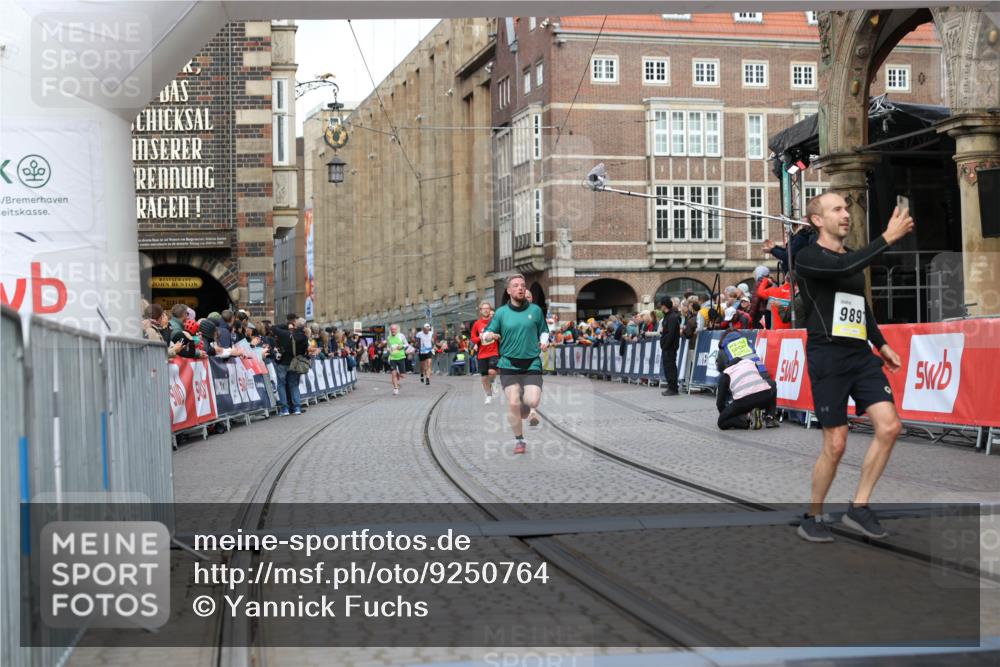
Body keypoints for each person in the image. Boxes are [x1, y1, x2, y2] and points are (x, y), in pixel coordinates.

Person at [794, 192, 913, 543]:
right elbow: (842, 269)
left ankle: (858, 506)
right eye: (837, 210)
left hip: (860, 355)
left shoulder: (851, 258)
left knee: (890, 427)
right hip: (827, 356)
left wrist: (882, 344)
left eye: (847, 209)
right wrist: (887, 238)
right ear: (818, 220)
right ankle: (812, 515)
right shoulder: (807, 258)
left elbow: (859, 306)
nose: (846, 214)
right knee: (836, 443)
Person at [481, 274, 548, 455]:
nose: (520, 288)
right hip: (509, 363)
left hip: (532, 362)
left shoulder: (535, 311)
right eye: (516, 285)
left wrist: (544, 341)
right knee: (513, 403)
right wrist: (490, 336)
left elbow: (544, 331)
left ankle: (526, 405)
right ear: (509, 290)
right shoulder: (501, 313)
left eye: (523, 285)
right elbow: (485, 335)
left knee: (532, 401)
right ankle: (520, 440)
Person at [715, 330, 778, 430]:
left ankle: (746, 420)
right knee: (772, 384)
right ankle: (770, 417)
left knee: (722, 420)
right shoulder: (747, 344)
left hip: (743, 399)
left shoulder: (725, 360)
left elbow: (720, 402)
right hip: (764, 392)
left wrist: (727, 414)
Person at [271, 315, 309, 415]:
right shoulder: (303, 337)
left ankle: (285, 409)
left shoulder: (284, 333)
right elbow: (305, 350)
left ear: (295, 326)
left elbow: (273, 328)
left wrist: (286, 325)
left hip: (283, 362)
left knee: (281, 385)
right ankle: (297, 408)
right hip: (295, 363)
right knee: (294, 385)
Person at [470, 301, 500, 404]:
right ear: (480, 311)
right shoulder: (477, 324)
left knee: (492, 372)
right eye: (484, 308)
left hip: (493, 352)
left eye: (488, 308)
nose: (486, 310)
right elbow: (473, 339)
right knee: (484, 377)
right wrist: (481, 337)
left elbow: (502, 334)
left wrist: (497, 336)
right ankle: (488, 395)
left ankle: (493, 381)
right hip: (482, 353)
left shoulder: (495, 322)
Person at [659, 298, 681, 396]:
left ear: (665, 306)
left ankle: (673, 388)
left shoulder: (672, 317)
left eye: (661, 305)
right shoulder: (667, 317)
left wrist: (666, 345)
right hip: (667, 347)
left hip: (670, 347)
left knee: (670, 367)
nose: (660, 307)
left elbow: (671, 333)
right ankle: (671, 386)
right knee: (668, 367)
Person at [386, 323, 408, 396]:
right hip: (392, 358)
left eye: (394, 329)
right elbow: (388, 347)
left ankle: (399, 374)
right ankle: (395, 388)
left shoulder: (401, 336)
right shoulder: (389, 337)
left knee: (403, 375)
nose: (393, 330)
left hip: (401, 357)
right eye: (392, 329)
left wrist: (401, 347)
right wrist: (389, 349)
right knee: (393, 374)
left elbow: (406, 344)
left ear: (397, 330)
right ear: (390, 330)